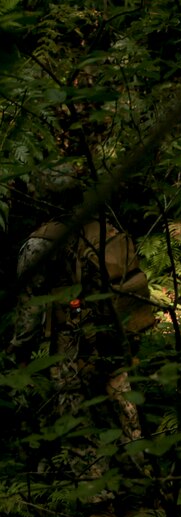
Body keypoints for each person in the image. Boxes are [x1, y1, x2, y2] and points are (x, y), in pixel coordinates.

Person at [9, 165, 153, 491]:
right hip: (113, 339)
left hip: (71, 349)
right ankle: (144, 497)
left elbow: (30, 309)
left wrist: (19, 350)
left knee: (79, 427)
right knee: (125, 418)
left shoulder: (40, 243)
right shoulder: (103, 229)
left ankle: (97, 507)